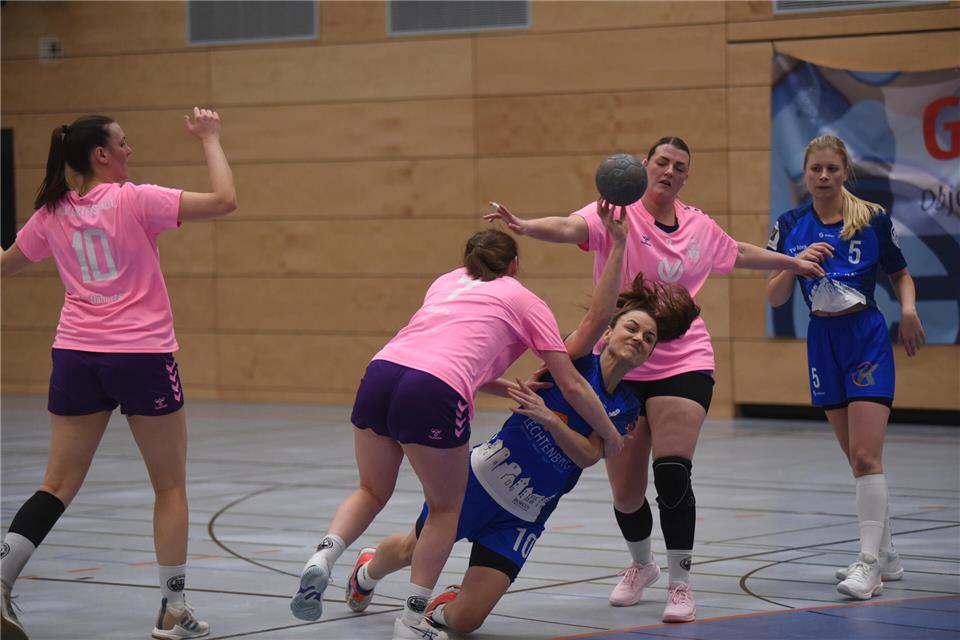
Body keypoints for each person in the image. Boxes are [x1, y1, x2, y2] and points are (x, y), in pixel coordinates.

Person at [483, 136, 824, 623]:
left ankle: (681, 582)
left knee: (672, 472)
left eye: (678, 166)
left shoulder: (699, 226)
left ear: (685, 177)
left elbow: (739, 253)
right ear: (644, 168)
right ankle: (641, 566)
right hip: (621, 361)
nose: (668, 170)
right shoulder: (617, 214)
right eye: (661, 162)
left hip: (683, 360)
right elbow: (568, 225)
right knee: (625, 489)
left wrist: (791, 261)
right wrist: (524, 226)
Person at [340, 200, 700, 636]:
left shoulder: (627, 405)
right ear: (611, 332)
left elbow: (589, 455)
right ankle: (367, 570)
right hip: (482, 480)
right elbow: (597, 313)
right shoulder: (574, 361)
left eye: (648, 338)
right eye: (632, 329)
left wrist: (551, 420)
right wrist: (619, 244)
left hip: (527, 512)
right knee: (413, 550)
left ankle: (443, 607)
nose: (639, 339)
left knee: (466, 623)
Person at [290, 227, 627, 640]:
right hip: (436, 391)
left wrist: (504, 386)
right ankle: (411, 621)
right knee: (445, 509)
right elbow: (574, 381)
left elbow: (446, 354)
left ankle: (324, 556)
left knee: (371, 490)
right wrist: (611, 436)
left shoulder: (446, 282)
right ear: (515, 265)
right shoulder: (525, 300)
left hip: (381, 372)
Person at [0, 109, 237, 640]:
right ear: (100, 155)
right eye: (123, 145)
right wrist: (211, 137)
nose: (131, 152)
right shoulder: (134, 199)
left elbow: (4, 264)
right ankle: (173, 610)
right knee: (170, 485)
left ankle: (1, 576)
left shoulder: (51, 213)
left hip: (76, 356)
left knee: (56, 483)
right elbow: (224, 200)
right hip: (141, 356)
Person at [766, 134, 924, 600]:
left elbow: (900, 273)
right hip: (822, 341)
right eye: (815, 169)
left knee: (865, 456)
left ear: (844, 171)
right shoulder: (790, 223)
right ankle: (889, 554)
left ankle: (869, 564)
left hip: (866, 338)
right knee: (856, 459)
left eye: (832, 169)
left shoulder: (871, 218)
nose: (823, 177)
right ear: (805, 173)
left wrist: (909, 310)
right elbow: (774, 296)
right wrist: (793, 265)